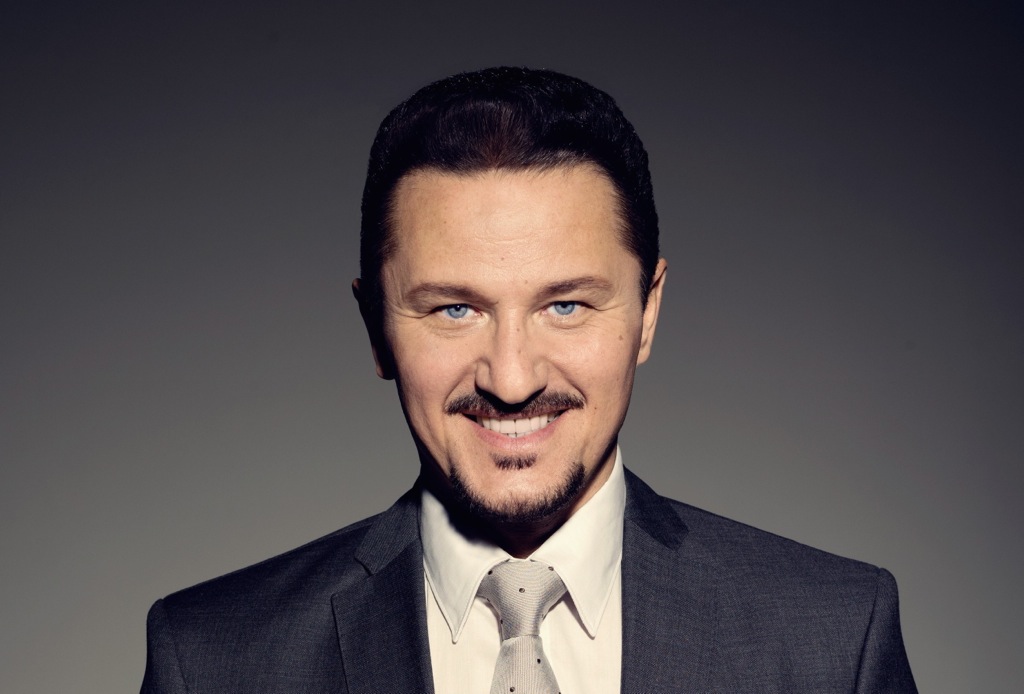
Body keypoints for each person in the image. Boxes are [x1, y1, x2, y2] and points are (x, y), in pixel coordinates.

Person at [141, 66, 917, 693]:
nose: (511, 380)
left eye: (566, 306)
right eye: (454, 310)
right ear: (376, 326)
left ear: (647, 312)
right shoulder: (214, 662)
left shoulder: (833, 642)